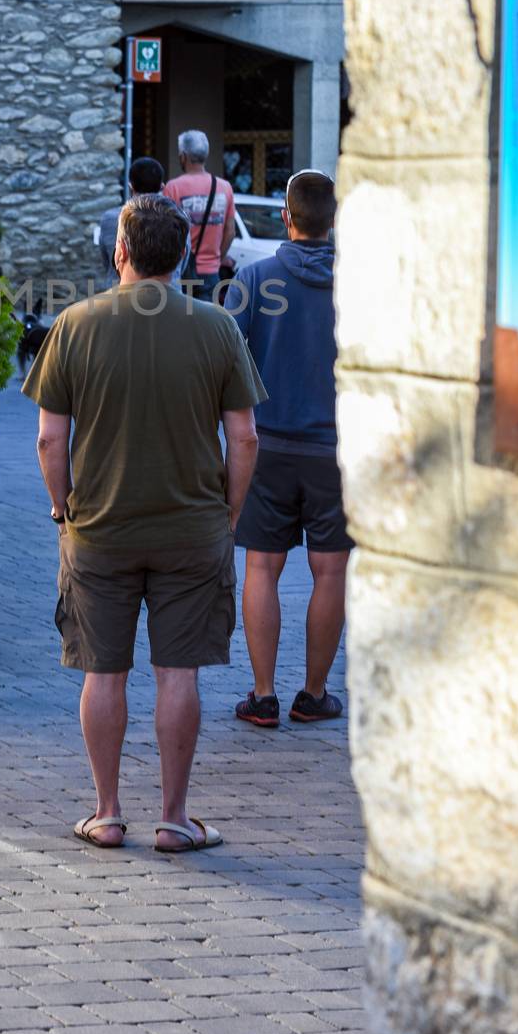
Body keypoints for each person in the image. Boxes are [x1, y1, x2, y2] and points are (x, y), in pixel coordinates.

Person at [23, 194, 266, 852]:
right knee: (177, 673)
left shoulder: (75, 324)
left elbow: (50, 438)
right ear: (183, 253)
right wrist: (230, 509)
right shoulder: (217, 327)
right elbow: (244, 437)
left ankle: (104, 812)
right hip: (193, 529)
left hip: (100, 529)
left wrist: (61, 502)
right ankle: (175, 818)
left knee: (104, 673)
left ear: (120, 252)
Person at [230, 169, 350, 728]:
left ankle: (262, 695)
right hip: (337, 450)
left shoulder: (253, 280)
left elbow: (226, 368)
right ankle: (315, 692)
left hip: (267, 445)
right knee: (331, 572)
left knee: (262, 565)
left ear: (286, 215)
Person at [164, 130, 236, 302]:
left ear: (183, 156)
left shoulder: (173, 188)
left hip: (182, 272)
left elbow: (166, 232)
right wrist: (217, 257)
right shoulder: (224, 187)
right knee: (206, 325)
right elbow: (231, 231)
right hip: (211, 272)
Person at [96, 156, 164, 287]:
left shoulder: (110, 219)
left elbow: (107, 262)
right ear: (162, 187)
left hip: (118, 292)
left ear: (130, 186)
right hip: (165, 295)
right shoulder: (178, 218)